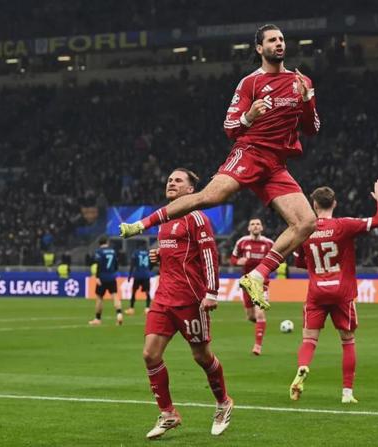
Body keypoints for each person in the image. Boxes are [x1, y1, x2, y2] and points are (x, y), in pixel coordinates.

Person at [119, 24, 321, 311]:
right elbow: (230, 127)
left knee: (307, 222)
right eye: (272, 40)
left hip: (277, 165)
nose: (279, 44)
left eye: (281, 39)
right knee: (209, 197)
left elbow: (312, 129)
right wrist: (250, 116)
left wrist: (307, 99)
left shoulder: (300, 81)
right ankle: (140, 225)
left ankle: (257, 275)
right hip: (251, 153)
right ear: (259, 48)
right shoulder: (250, 83)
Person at [142, 168, 233, 440]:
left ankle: (223, 403)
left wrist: (212, 292)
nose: (171, 182)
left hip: (190, 299)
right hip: (163, 298)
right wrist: (159, 255)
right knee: (150, 354)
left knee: (201, 356)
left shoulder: (197, 217)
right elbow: (178, 253)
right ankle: (168, 413)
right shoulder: (164, 219)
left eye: (178, 180)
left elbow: (209, 255)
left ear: (191, 190)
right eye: (169, 179)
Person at [290, 180, 378, 404]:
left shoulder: (306, 229)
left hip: (316, 291)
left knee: (309, 338)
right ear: (334, 203)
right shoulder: (344, 225)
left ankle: (303, 366)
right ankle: (347, 393)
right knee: (347, 341)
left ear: (314, 205)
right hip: (342, 292)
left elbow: (300, 262)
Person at [229, 218, 274, 355]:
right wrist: (238, 262)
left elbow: (277, 258)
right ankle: (260, 325)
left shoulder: (269, 244)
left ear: (262, 228)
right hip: (247, 283)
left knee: (260, 313)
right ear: (249, 228)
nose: (255, 226)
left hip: (262, 283)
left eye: (258, 224)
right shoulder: (242, 242)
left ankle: (257, 346)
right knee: (250, 316)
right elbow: (233, 259)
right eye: (253, 224)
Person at [89, 236, 122, 326]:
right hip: (112, 277)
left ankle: (97, 319)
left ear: (99, 243)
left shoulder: (99, 252)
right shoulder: (113, 251)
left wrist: (97, 277)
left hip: (102, 277)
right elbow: (116, 265)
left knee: (99, 298)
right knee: (115, 295)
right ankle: (119, 314)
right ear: (107, 242)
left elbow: (99, 264)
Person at [126, 246, 153, 315]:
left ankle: (131, 308)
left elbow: (132, 265)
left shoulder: (136, 252)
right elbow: (152, 263)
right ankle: (147, 309)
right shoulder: (148, 252)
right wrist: (148, 270)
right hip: (146, 275)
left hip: (138, 275)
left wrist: (129, 276)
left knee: (134, 292)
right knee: (147, 292)